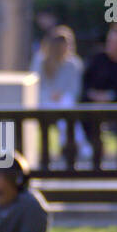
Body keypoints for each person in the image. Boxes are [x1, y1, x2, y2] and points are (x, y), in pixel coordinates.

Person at [79, 22, 117, 160]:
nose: (110, 45)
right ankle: (95, 151)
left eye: (115, 42)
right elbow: (86, 85)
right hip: (94, 105)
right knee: (85, 111)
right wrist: (94, 95)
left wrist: (110, 96)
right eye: (110, 41)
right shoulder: (97, 60)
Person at [31, 24, 85, 154]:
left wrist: (60, 95)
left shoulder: (73, 63)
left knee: (65, 105)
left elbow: (75, 89)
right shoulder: (40, 61)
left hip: (64, 102)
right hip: (43, 102)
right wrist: (50, 95)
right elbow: (35, 86)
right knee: (64, 109)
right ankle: (75, 145)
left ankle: (70, 145)